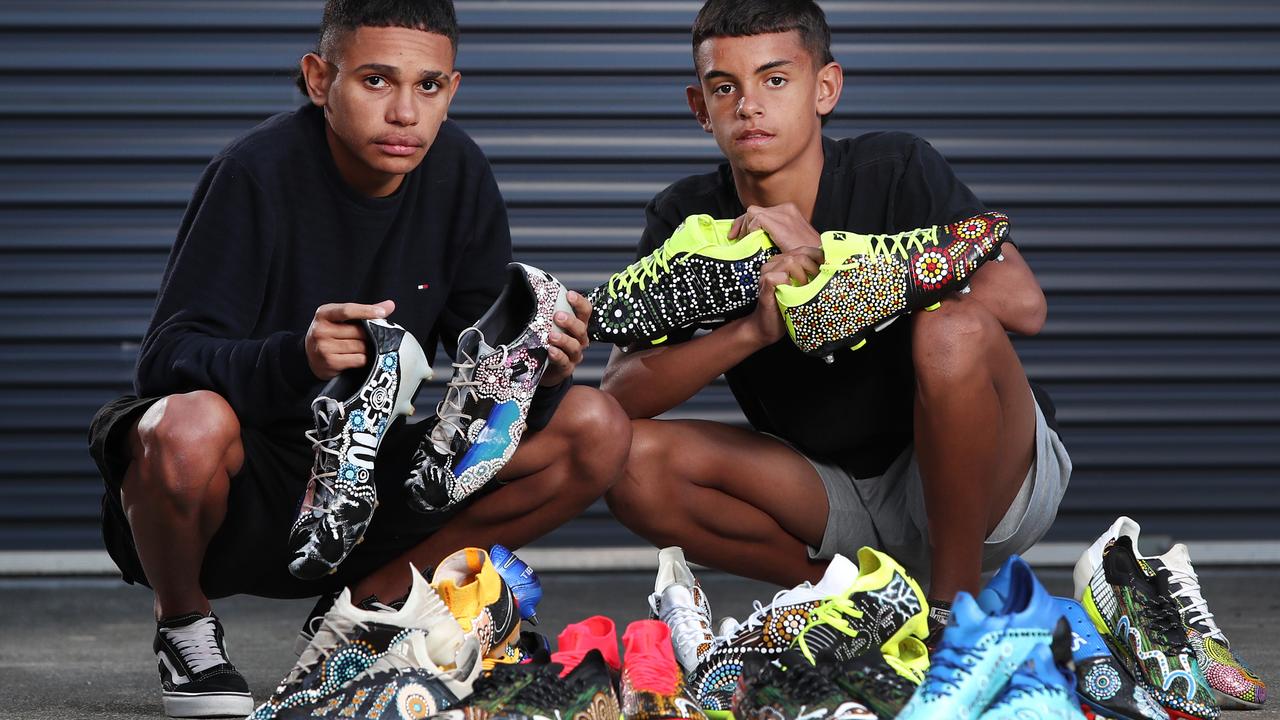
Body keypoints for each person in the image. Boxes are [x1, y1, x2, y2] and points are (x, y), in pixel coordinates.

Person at [86, 1, 629, 716]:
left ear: (452, 91)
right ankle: (185, 626)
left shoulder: (458, 170)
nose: (405, 112)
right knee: (186, 425)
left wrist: (537, 360)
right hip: (250, 486)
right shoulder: (253, 174)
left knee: (595, 423)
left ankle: (371, 606)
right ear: (319, 79)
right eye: (377, 81)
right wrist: (299, 357)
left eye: (428, 87)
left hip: (367, 478)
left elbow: (477, 359)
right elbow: (163, 364)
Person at [602, 0, 1070, 639]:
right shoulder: (688, 217)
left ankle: (953, 621)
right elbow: (621, 394)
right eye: (724, 87)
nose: (749, 106)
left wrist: (830, 269)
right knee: (628, 461)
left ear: (825, 87)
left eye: (774, 79)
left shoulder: (896, 169)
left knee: (951, 329)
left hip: (977, 476)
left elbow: (1023, 303)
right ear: (699, 107)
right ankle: (858, 602)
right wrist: (755, 328)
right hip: (825, 489)